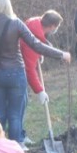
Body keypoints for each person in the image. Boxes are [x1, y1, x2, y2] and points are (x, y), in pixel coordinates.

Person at [0, 0, 70, 144]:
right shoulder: (15, 23)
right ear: (7, 4)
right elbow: (36, 45)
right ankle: (16, 148)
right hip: (15, 73)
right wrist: (61, 54)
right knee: (15, 114)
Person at [20, 9, 65, 144]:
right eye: (56, 27)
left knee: (22, 104)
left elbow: (40, 42)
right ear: (52, 26)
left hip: (15, 69)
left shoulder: (33, 23)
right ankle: (17, 139)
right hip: (17, 72)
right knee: (20, 105)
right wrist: (39, 91)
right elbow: (29, 70)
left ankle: (20, 135)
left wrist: (40, 53)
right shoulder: (33, 36)